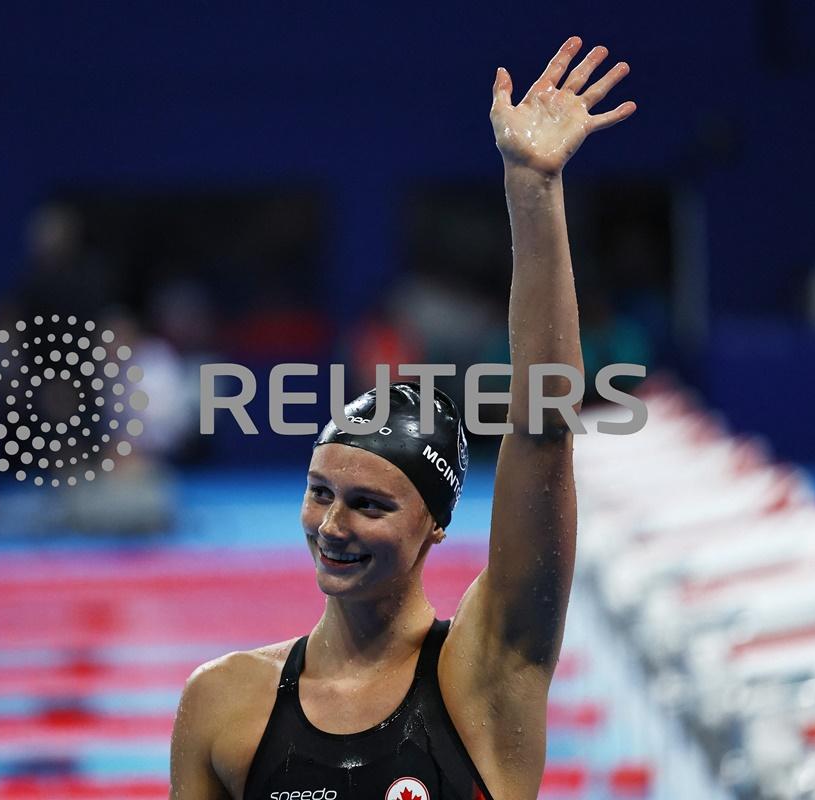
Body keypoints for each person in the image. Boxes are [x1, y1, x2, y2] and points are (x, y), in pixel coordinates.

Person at [170, 36, 635, 800]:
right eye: (322, 491)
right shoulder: (223, 704)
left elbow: (544, 428)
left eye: (370, 504)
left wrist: (532, 188)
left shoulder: (488, 678)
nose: (333, 525)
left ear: (436, 524)